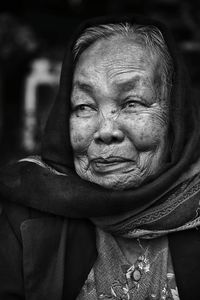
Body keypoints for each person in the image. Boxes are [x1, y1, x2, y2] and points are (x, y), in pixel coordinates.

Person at [0, 15, 200, 300]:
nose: (106, 131)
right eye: (84, 106)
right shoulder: (28, 211)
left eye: (132, 103)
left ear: (175, 116)